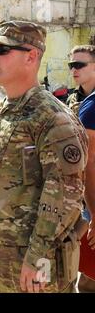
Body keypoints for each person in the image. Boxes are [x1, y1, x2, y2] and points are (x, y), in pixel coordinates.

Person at [0, 21, 88, 293]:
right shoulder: (1, 111)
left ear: (31, 56)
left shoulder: (51, 117)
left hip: (34, 261)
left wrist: (38, 255)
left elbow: (65, 194)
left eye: (3, 50)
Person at [67, 45, 95, 292]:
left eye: (80, 65)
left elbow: (91, 158)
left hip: (90, 196)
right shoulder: (74, 99)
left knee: (89, 272)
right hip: (73, 194)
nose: (73, 70)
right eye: (71, 65)